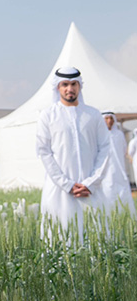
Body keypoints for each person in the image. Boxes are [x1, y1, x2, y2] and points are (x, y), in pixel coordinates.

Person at [36, 67, 110, 237]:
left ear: (79, 86)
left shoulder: (93, 115)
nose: (70, 89)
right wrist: (67, 184)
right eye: (65, 84)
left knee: (94, 241)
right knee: (59, 240)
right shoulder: (47, 116)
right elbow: (44, 152)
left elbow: (105, 149)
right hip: (59, 192)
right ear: (58, 87)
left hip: (91, 191)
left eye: (73, 84)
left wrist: (91, 183)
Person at [100, 112, 135, 214]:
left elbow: (125, 151)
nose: (109, 121)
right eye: (106, 119)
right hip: (104, 171)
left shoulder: (119, 135)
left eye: (111, 118)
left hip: (119, 170)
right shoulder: (100, 135)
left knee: (122, 193)